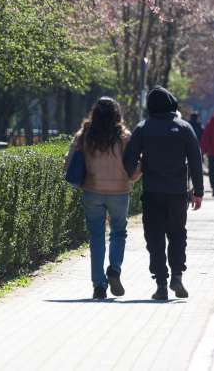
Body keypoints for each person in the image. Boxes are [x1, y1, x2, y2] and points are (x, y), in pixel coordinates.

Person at [123, 86, 203, 301]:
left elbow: (129, 156)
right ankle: (177, 275)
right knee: (177, 234)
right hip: (177, 193)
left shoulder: (143, 128)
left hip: (152, 193)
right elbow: (196, 160)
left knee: (155, 237)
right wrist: (198, 192)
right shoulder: (184, 128)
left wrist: (132, 172)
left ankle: (161, 283)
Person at [65, 97, 140, 300]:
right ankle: (114, 269)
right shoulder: (124, 136)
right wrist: (133, 178)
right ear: (117, 114)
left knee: (96, 237)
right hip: (119, 192)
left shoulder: (84, 135)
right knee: (118, 232)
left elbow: (69, 163)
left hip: (92, 191)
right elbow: (134, 167)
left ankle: (99, 285)